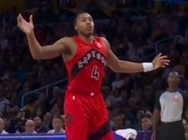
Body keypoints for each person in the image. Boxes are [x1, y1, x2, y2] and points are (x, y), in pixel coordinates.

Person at [17, 12, 169, 140]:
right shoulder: (69, 43)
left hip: (96, 99)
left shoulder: (103, 43)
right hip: (77, 99)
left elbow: (118, 65)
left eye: (90, 19)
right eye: (83, 20)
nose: (88, 22)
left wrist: (150, 66)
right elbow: (39, 53)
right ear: (76, 26)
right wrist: (30, 34)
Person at [152, 71, 188, 140]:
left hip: (177, 127)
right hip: (163, 126)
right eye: (171, 77)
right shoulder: (161, 95)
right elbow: (156, 113)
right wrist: (154, 130)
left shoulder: (183, 95)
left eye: (176, 77)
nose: (173, 79)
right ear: (167, 79)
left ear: (179, 80)